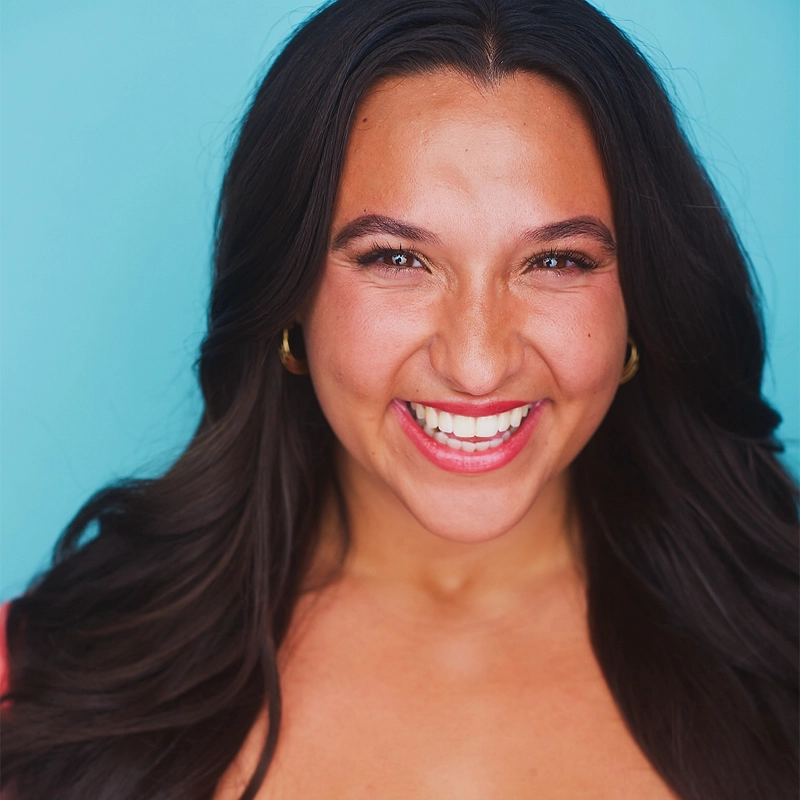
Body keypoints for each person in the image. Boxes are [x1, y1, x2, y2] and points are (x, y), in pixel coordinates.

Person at [2, 0, 797, 798]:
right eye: (396, 258)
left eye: (556, 262)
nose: (479, 364)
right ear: (289, 296)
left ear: (643, 299)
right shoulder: (45, 679)